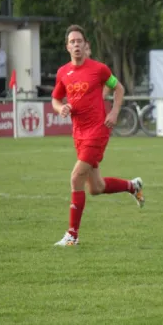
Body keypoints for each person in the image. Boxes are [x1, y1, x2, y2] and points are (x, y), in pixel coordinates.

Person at [51, 25, 144, 246]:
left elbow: (118, 88)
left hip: (97, 131)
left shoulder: (99, 69)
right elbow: (55, 99)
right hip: (79, 134)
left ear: (85, 45)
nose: (76, 45)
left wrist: (114, 111)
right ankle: (133, 186)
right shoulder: (63, 73)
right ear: (67, 47)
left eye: (79, 41)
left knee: (75, 178)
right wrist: (60, 108)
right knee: (96, 187)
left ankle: (72, 236)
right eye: (72, 42)